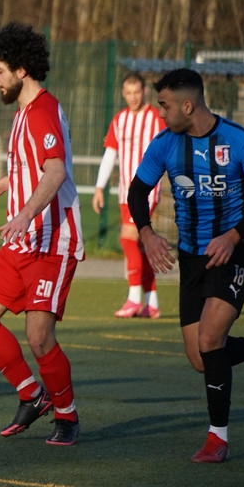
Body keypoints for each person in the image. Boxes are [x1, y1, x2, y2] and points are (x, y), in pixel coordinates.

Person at [128, 68, 244, 463]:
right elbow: (137, 192)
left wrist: (233, 236)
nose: (160, 113)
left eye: (164, 105)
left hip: (234, 252)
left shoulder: (240, 141)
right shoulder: (164, 144)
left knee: (210, 338)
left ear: (188, 106)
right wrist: (147, 234)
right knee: (201, 359)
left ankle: (217, 438)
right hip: (191, 258)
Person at [0, 22, 84, 446]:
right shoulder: (22, 114)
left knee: (39, 336)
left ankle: (66, 415)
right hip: (22, 241)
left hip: (52, 242)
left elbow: (55, 172)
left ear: (21, 69)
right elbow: (29, 169)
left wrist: (26, 213)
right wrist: (2, 185)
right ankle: (33, 394)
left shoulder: (44, 111)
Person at [92, 72, 165, 318]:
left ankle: (134, 298)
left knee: (127, 239)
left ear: (144, 91)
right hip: (125, 193)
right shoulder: (119, 120)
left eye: (137, 92)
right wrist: (99, 187)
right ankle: (152, 303)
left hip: (147, 191)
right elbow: (110, 154)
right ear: (123, 94)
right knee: (141, 246)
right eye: (128, 93)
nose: (133, 97)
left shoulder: (156, 118)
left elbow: (169, 149)